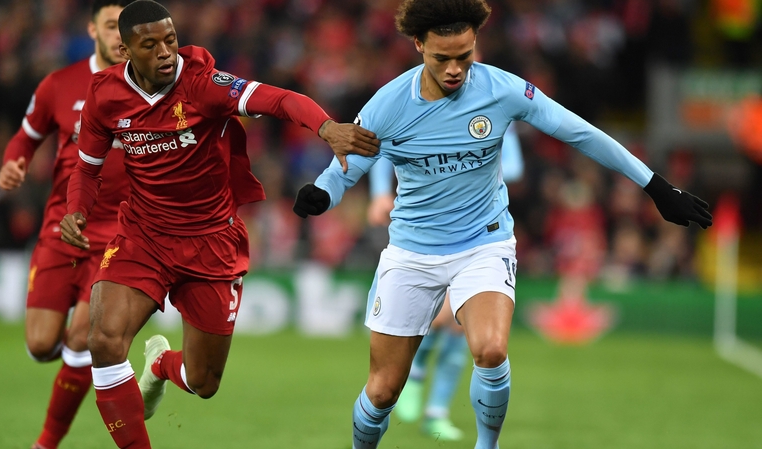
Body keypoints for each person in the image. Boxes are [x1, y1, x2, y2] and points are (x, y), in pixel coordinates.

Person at [291, 1, 712, 448]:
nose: (455, 69)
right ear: (418, 46)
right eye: (442, 58)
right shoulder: (388, 105)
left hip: (484, 242)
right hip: (412, 252)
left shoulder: (503, 90)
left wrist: (656, 186)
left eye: (465, 56)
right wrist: (323, 193)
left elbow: (580, 132)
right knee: (382, 391)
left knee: (490, 350)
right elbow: (347, 166)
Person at [58, 1, 379, 448]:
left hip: (210, 243)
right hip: (142, 237)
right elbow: (87, 168)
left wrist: (326, 128)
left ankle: (160, 367)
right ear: (126, 50)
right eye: (150, 45)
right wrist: (76, 210)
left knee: (203, 381)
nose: (166, 52)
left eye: (170, 39)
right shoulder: (105, 95)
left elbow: (280, 99)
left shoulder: (203, 85)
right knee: (105, 340)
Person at [0, 2, 135, 448]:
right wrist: (12, 164)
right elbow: (26, 136)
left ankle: (45, 443)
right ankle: (80, 362)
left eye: (127, 28)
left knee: (84, 336)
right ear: (92, 28)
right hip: (61, 229)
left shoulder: (151, 88)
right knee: (41, 346)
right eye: (112, 26)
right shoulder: (59, 84)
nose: (120, 36)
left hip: (117, 237)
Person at [366, 123, 523, 441]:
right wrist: (380, 193)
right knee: (436, 319)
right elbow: (383, 147)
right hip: (427, 231)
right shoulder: (418, 107)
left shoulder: (497, 111)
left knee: (460, 326)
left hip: (476, 233)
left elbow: (516, 167)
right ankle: (416, 373)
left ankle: (436, 410)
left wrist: (473, 168)